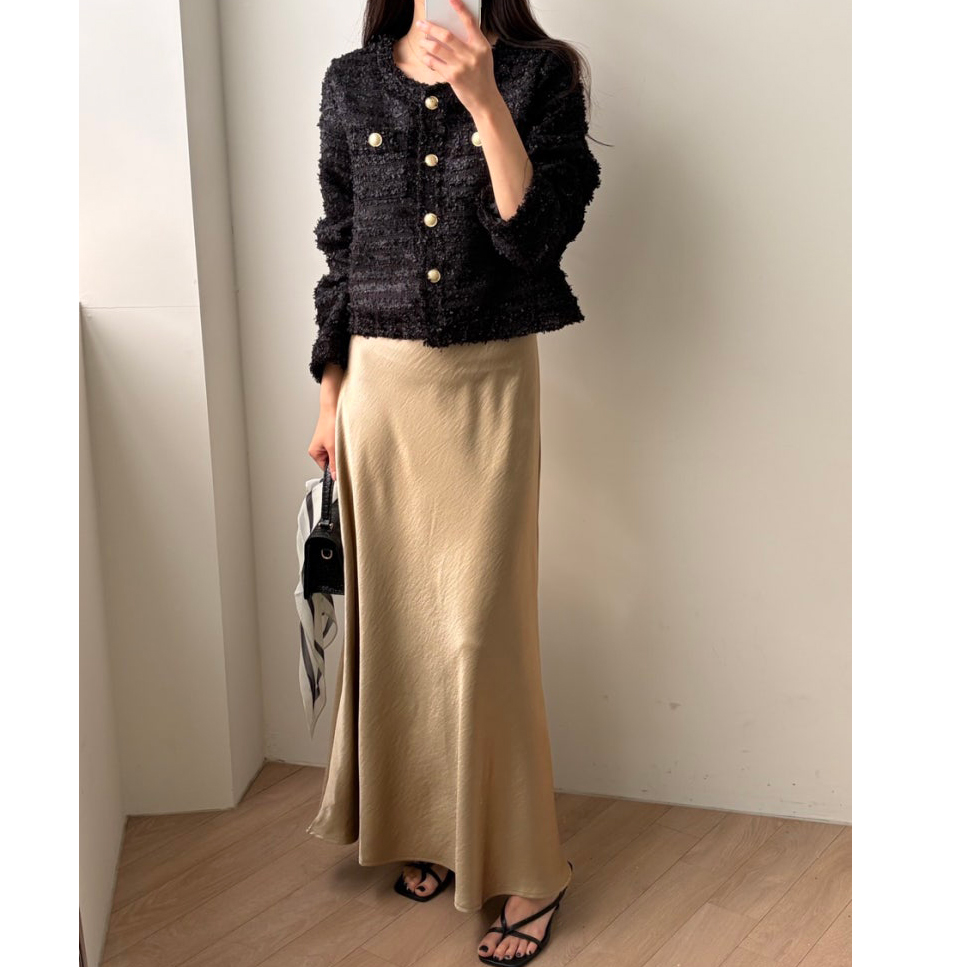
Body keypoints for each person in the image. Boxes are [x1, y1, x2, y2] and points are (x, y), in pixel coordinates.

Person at [305, 2, 601, 963]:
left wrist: (483, 99)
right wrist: (329, 399)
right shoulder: (352, 80)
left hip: (486, 387)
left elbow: (534, 239)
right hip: (378, 391)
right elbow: (341, 246)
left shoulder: (541, 73)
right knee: (399, 625)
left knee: (479, 628)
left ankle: (532, 867)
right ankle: (425, 827)